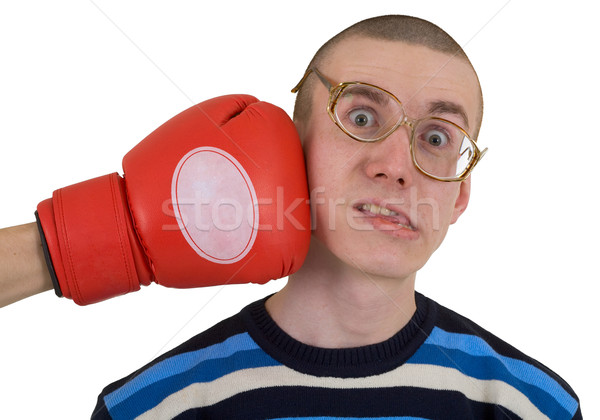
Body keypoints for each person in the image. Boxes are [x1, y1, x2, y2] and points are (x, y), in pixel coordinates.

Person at [83, 15, 580, 419]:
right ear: (288, 150)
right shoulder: (149, 410)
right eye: (361, 117)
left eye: (435, 138)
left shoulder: (535, 408)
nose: (394, 167)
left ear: (461, 193)